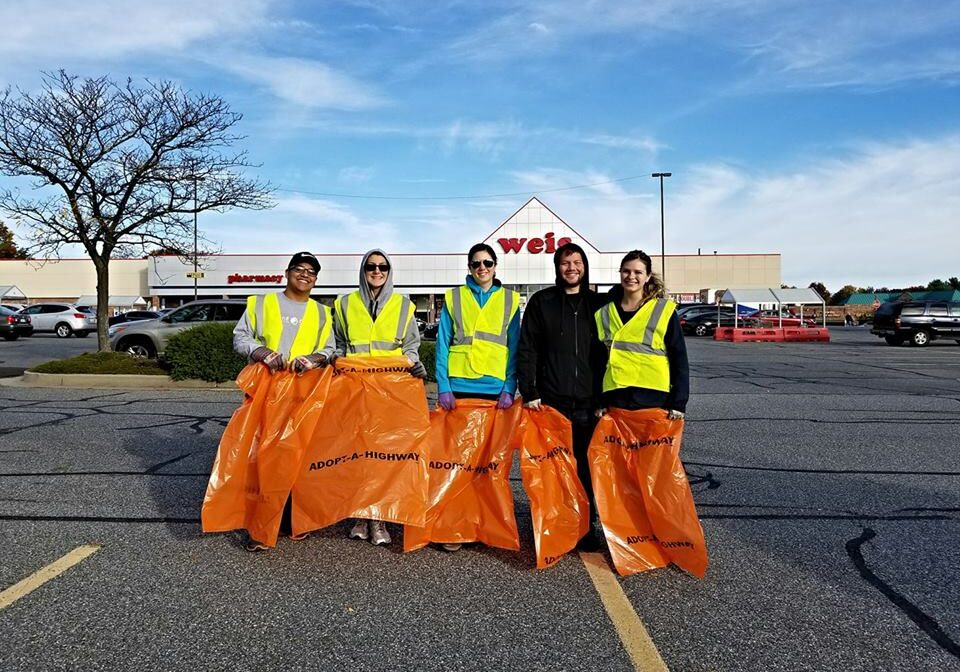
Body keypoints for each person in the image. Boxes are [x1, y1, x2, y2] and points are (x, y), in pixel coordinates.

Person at [232, 251, 336, 552]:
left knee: (299, 455)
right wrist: (261, 352)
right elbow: (240, 337)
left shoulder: (321, 313)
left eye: (311, 272)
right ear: (287, 273)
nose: (305, 275)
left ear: (315, 280)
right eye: (299, 269)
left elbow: (329, 349)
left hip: (304, 392)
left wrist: (315, 359)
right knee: (263, 455)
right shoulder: (262, 303)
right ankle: (261, 523)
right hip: (266, 389)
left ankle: (293, 520)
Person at [517, 242, 608, 550]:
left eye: (577, 262)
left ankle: (586, 526)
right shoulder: (542, 302)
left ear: (585, 266)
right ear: (557, 268)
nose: (572, 267)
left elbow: (608, 353)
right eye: (565, 263)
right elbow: (527, 348)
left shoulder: (598, 304)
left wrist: (602, 398)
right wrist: (529, 391)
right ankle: (554, 522)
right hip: (551, 402)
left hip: (587, 403)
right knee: (553, 467)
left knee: (585, 467)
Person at [333, 249, 425, 547]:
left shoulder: (403, 305)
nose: (376, 271)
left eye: (382, 267)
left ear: (389, 271)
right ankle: (361, 516)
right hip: (354, 390)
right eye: (371, 266)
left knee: (385, 455)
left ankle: (380, 519)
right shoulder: (345, 304)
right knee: (358, 454)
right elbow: (336, 344)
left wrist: (410, 364)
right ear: (363, 270)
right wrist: (338, 362)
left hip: (391, 392)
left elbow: (411, 346)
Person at [434, 243, 520, 551]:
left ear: (495, 266)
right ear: (469, 267)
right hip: (459, 387)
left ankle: (483, 524)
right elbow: (442, 342)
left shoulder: (510, 300)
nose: (481, 268)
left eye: (487, 262)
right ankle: (455, 526)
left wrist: (510, 386)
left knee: (488, 465)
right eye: (475, 263)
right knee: (456, 463)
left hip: (495, 390)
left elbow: (514, 346)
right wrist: (443, 385)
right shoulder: (454, 297)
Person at [594, 248, 689, 420]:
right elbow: (598, 361)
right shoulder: (604, 313)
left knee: (652, 448)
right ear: (620, 273)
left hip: (654, 397)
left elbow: (679, 358)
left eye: (638, 272)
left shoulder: (663, 310)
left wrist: (678, 402)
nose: (631, 276)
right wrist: (599, 401)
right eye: (626, 271)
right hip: (616, 397)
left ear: (647, 276)